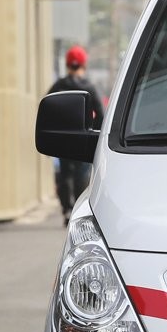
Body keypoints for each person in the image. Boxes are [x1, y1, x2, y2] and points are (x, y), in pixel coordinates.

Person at [48, 46, 104, 224]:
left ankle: (66, 208)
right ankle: (78, 211)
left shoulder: (58, 86)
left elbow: (47, 108)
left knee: (65, 174)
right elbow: (101, 114)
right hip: (84, 139)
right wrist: (94, 133)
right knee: (82, 175)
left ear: (67, 65)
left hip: (63, 139)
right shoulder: (90, 87)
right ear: (84, 64)